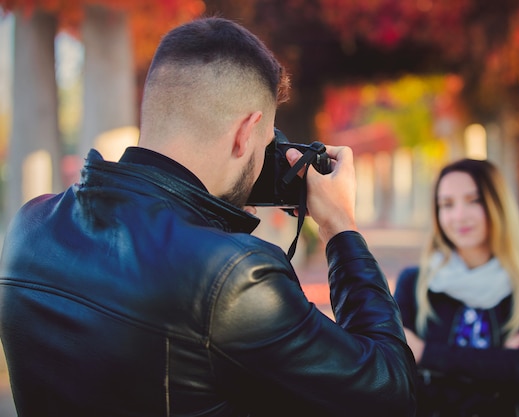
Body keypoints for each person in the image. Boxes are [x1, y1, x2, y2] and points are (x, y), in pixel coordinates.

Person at [0, 17, 417, 417]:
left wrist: (217, 220)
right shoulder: (233, 274)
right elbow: (389, 392)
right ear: (244, 132)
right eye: (266, 140)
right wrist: (340, 227)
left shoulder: (31, 226)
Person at [393, 158, 519, 417]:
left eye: (474, 200)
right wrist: (493, 360)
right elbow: (395, 367)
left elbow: (518, 373)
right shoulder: (414, 283)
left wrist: (425, 353)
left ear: (497, 206)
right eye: (447, 204)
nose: (459, 216)